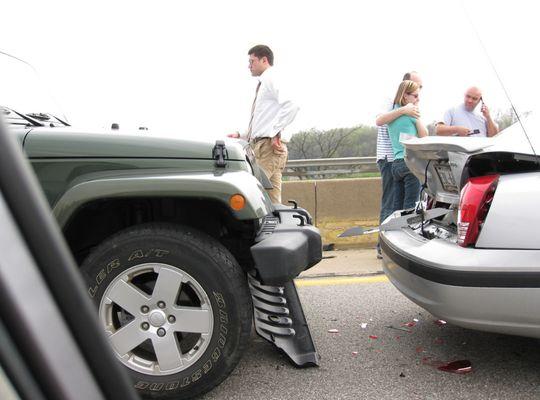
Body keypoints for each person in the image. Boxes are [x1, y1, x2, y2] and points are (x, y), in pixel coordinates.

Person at [228, 44, 299, 204]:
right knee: (272, 202)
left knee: (251, 192)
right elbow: (264, 121)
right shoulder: (266, 81)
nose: (249, 66)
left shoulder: (272, 78)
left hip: (268, 148)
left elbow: (292, 105)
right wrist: (241, 134)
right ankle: (277, 228)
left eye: (252, 61)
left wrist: (276, 132)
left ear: (264, 60)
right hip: (264, 147)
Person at [374, 71, 422, 258]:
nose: (419, 94)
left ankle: (394, 246)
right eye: (417, 88)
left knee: (399, 205)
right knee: (391, 204)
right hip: (389, 157)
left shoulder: (411, 107)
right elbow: (379, 120)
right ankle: (383, 246)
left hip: (402, 159)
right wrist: (404, 110)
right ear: (405, 86)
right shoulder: (391, 102)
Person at [387, 80, 427, 213]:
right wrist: (417, 116)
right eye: (415, 96)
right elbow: (424, 135)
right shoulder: (411, 114)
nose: (418, 99)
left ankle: (393, 232)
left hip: (396, 164)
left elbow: (380, 120)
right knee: (410, 207)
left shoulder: (392, 113)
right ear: (405, 95)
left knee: (397, 208)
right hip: (410, 163)